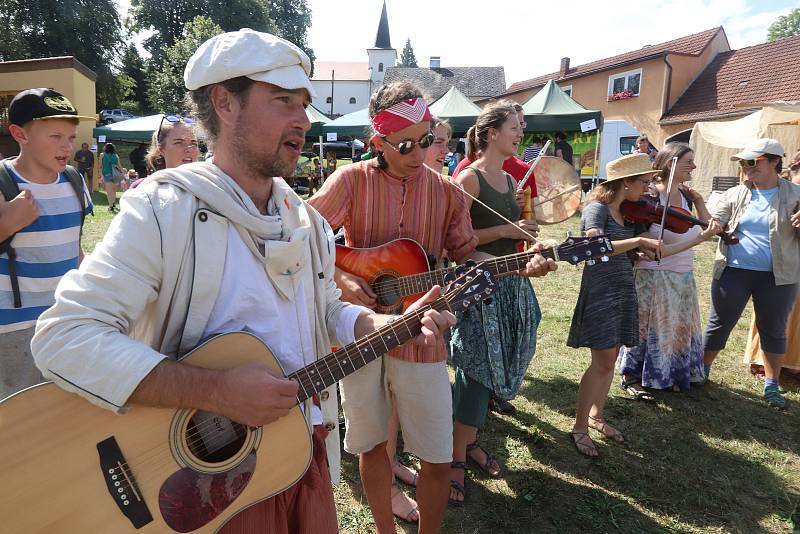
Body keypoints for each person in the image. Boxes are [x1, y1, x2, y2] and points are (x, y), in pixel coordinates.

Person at [29, 30, 457, 534]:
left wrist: (379, 321)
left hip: (298, 460)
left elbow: (323, 310)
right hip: (197, 486)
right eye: (283, 102)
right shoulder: (165, 210)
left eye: (304, 104)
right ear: (224, 103)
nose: (303, 119)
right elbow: (65, 337)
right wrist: (214, 391)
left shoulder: (308, 223)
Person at [309, 81, 556, 533]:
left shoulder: (447, 192)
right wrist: (342, 278)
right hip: (359, 333)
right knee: (370, 447)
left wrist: (521, 266)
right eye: (406, 143)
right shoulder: (350, 180)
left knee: (438, 456)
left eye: (427, 138)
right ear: (377, 142)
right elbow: (303, 238)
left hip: (423, 332)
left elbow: (467, 256)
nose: (420, 151)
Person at [567, 153, 720, 457]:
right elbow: (593, 248)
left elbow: (658, 252)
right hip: (600, 291)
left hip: (624, 289)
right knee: (601, 363)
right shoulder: (597, 210)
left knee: (609, 362)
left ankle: (597, 416)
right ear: (626, 183)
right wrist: (636, 243)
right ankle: (579, 427)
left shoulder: (631, 216)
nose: (649, 189)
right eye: (644, 182)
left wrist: (700, 238)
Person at [448, 100, 544, 503]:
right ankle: (454, 457)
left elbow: (512, 235)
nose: (519, 133)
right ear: (490, 134)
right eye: (513, 128)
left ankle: (468, 442)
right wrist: (509, 228)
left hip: (512, 282)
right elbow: (455, 240)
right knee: (475, 367)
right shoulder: (469, 179)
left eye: (520, 127)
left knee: (498, 361)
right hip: (480, 284)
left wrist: (530, 237)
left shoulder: (509, 180)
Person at [0, 88, 93, 399]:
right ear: (19, 134)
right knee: (21, 422)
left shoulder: (74, 181)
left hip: (65, 321)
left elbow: (74, 248)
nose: (66, 146)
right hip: (13, 330)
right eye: (55, 136)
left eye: (70, 136)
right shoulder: (2, 183)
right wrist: (8, 222)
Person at [703, 138, 800, 409]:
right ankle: (701, 371)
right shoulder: (734, 194)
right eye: (743, 162)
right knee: (719, 323)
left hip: (778, 277)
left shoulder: (796, 194)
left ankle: (771, 385)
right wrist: (716, 224)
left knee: (774, 329)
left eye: (752, 162)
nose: (746, 167)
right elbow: (714, 220)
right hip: (733, 271)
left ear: (774, 162)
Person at [617, 143, 720, 397]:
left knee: (675, 327)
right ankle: (634, 376)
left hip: (682, 273)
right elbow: (643, 239)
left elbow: (708, 225)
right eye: (689, 162)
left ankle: (670, 372)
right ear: (670, 162)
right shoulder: (650, 196)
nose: (693, 167)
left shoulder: (686, 196)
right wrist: (696, 240)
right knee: (648, 327)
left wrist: (698, 199)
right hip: (653, 273)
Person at [745, 148, 800, 378]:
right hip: (786, 253)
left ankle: (792, 362)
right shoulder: (792, 181)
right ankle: (762, 359)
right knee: (777, 309)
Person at [100, 142, 123, 213]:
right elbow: (119, 166)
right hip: (115, 174)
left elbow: (100, 165)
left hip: (106, 174)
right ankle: (113, 204)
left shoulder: (102, 155)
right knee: (113, 190)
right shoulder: (116, 155)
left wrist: (100, 175)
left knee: (109, 191)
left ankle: (111, 206)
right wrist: (122, 173)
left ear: (105, 148)